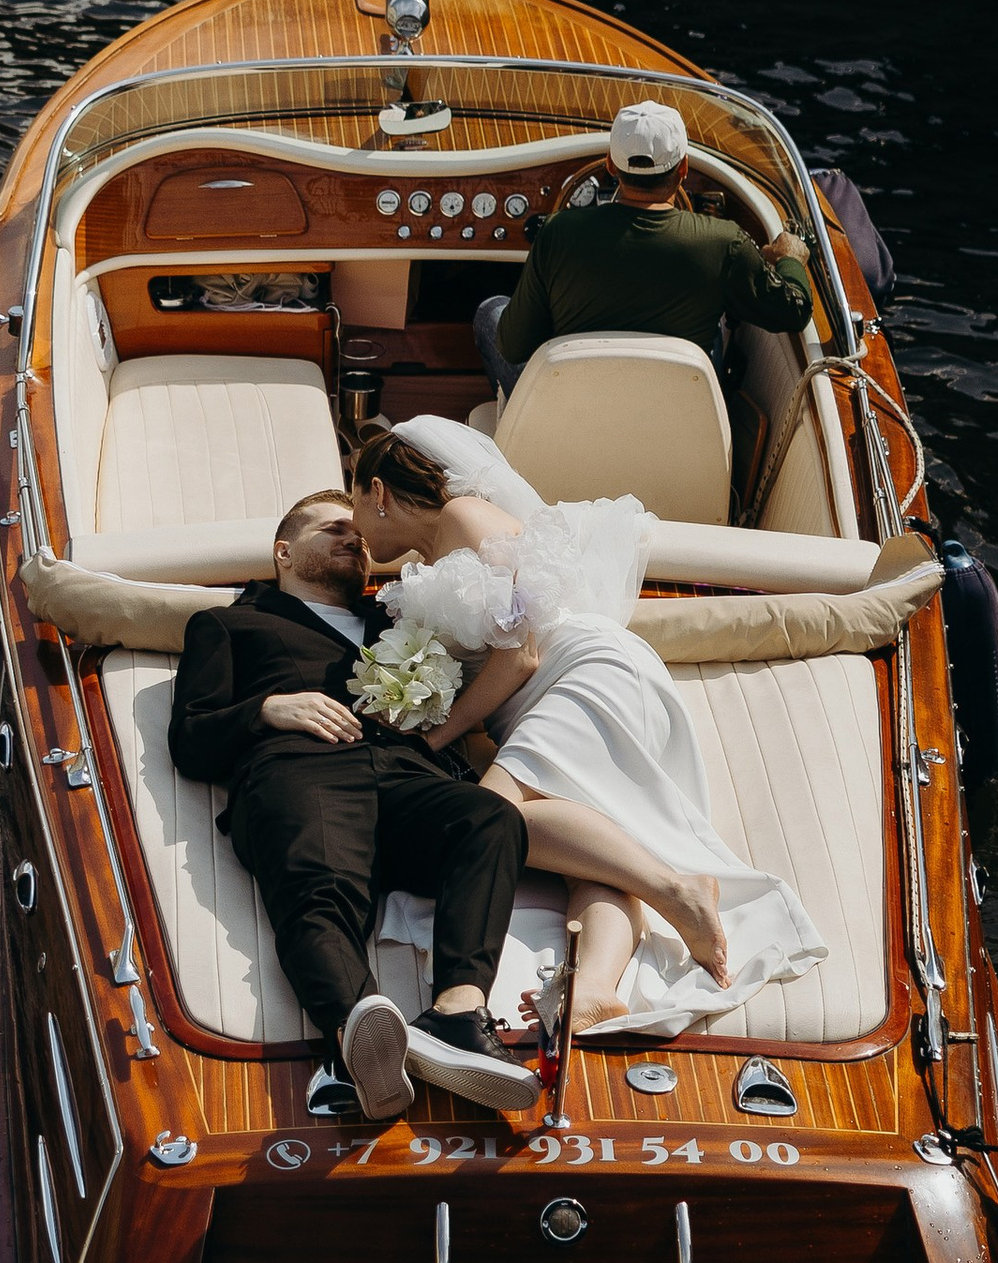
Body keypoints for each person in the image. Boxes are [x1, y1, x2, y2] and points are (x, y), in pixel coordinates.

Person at [349, 419, 827, 1042]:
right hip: (539, 705)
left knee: (487, 826)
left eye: (353, 501)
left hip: (583, 673)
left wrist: (438, 738)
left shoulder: (463, 515)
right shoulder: (424, 562)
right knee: (590, 861)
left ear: (378, 490)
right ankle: (596, 989)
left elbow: (521, 653)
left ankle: (676, 888)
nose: (355, 527)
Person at [167, 490, 537, 1121]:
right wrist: (265, 709)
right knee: (321, 888)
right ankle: (353, 1037)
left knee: (490, 820)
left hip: (401, 774)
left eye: (360, 536)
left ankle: (457, 1013)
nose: (354, 540)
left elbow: (510, 634)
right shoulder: (230, 623)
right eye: (333, 529)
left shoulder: (400, 623)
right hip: (299, 770)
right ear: (283, 552)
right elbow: (190, 737)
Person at [472, 97, 814, 404]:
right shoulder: (724, 242)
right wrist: (791, 259)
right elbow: (793, 311)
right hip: (676, 419)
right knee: (711, 331)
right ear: (683, 168)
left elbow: (514, 346)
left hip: (574, 415)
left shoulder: (557, 232)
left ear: (609, 164)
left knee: (492, 311)